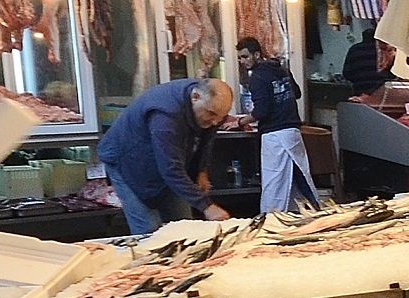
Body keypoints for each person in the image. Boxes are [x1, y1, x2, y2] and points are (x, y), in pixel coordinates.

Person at [98, 78, 233, 235]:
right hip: (126, 159)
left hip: (164, 158)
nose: (215, 121)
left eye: (221, 117)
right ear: (195, 97)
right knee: (150, 233)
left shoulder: (210, 103)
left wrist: (201, 170)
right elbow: (170, 169)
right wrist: (207, 207)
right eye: (211, 114)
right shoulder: (166, 115)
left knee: (185, 228)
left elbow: (206, 138)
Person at [236, 37, 318, 213]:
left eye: (244, 57)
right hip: (293, 131)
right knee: (299, 176)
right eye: (240, 58)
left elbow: (261, 112)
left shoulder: (257, 78)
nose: (242, 62)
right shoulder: (282, 69)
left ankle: (271, 219)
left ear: (256, 54)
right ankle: (309, 212)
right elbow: (296, 93)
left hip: (274, 135)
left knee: (274, 182)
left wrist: (239, 122)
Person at [342, 29, 397, 96]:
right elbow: (394, 71)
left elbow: (347, 73)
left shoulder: (354, 49)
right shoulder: (384, 49)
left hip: (360, 90)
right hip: (383, 90)